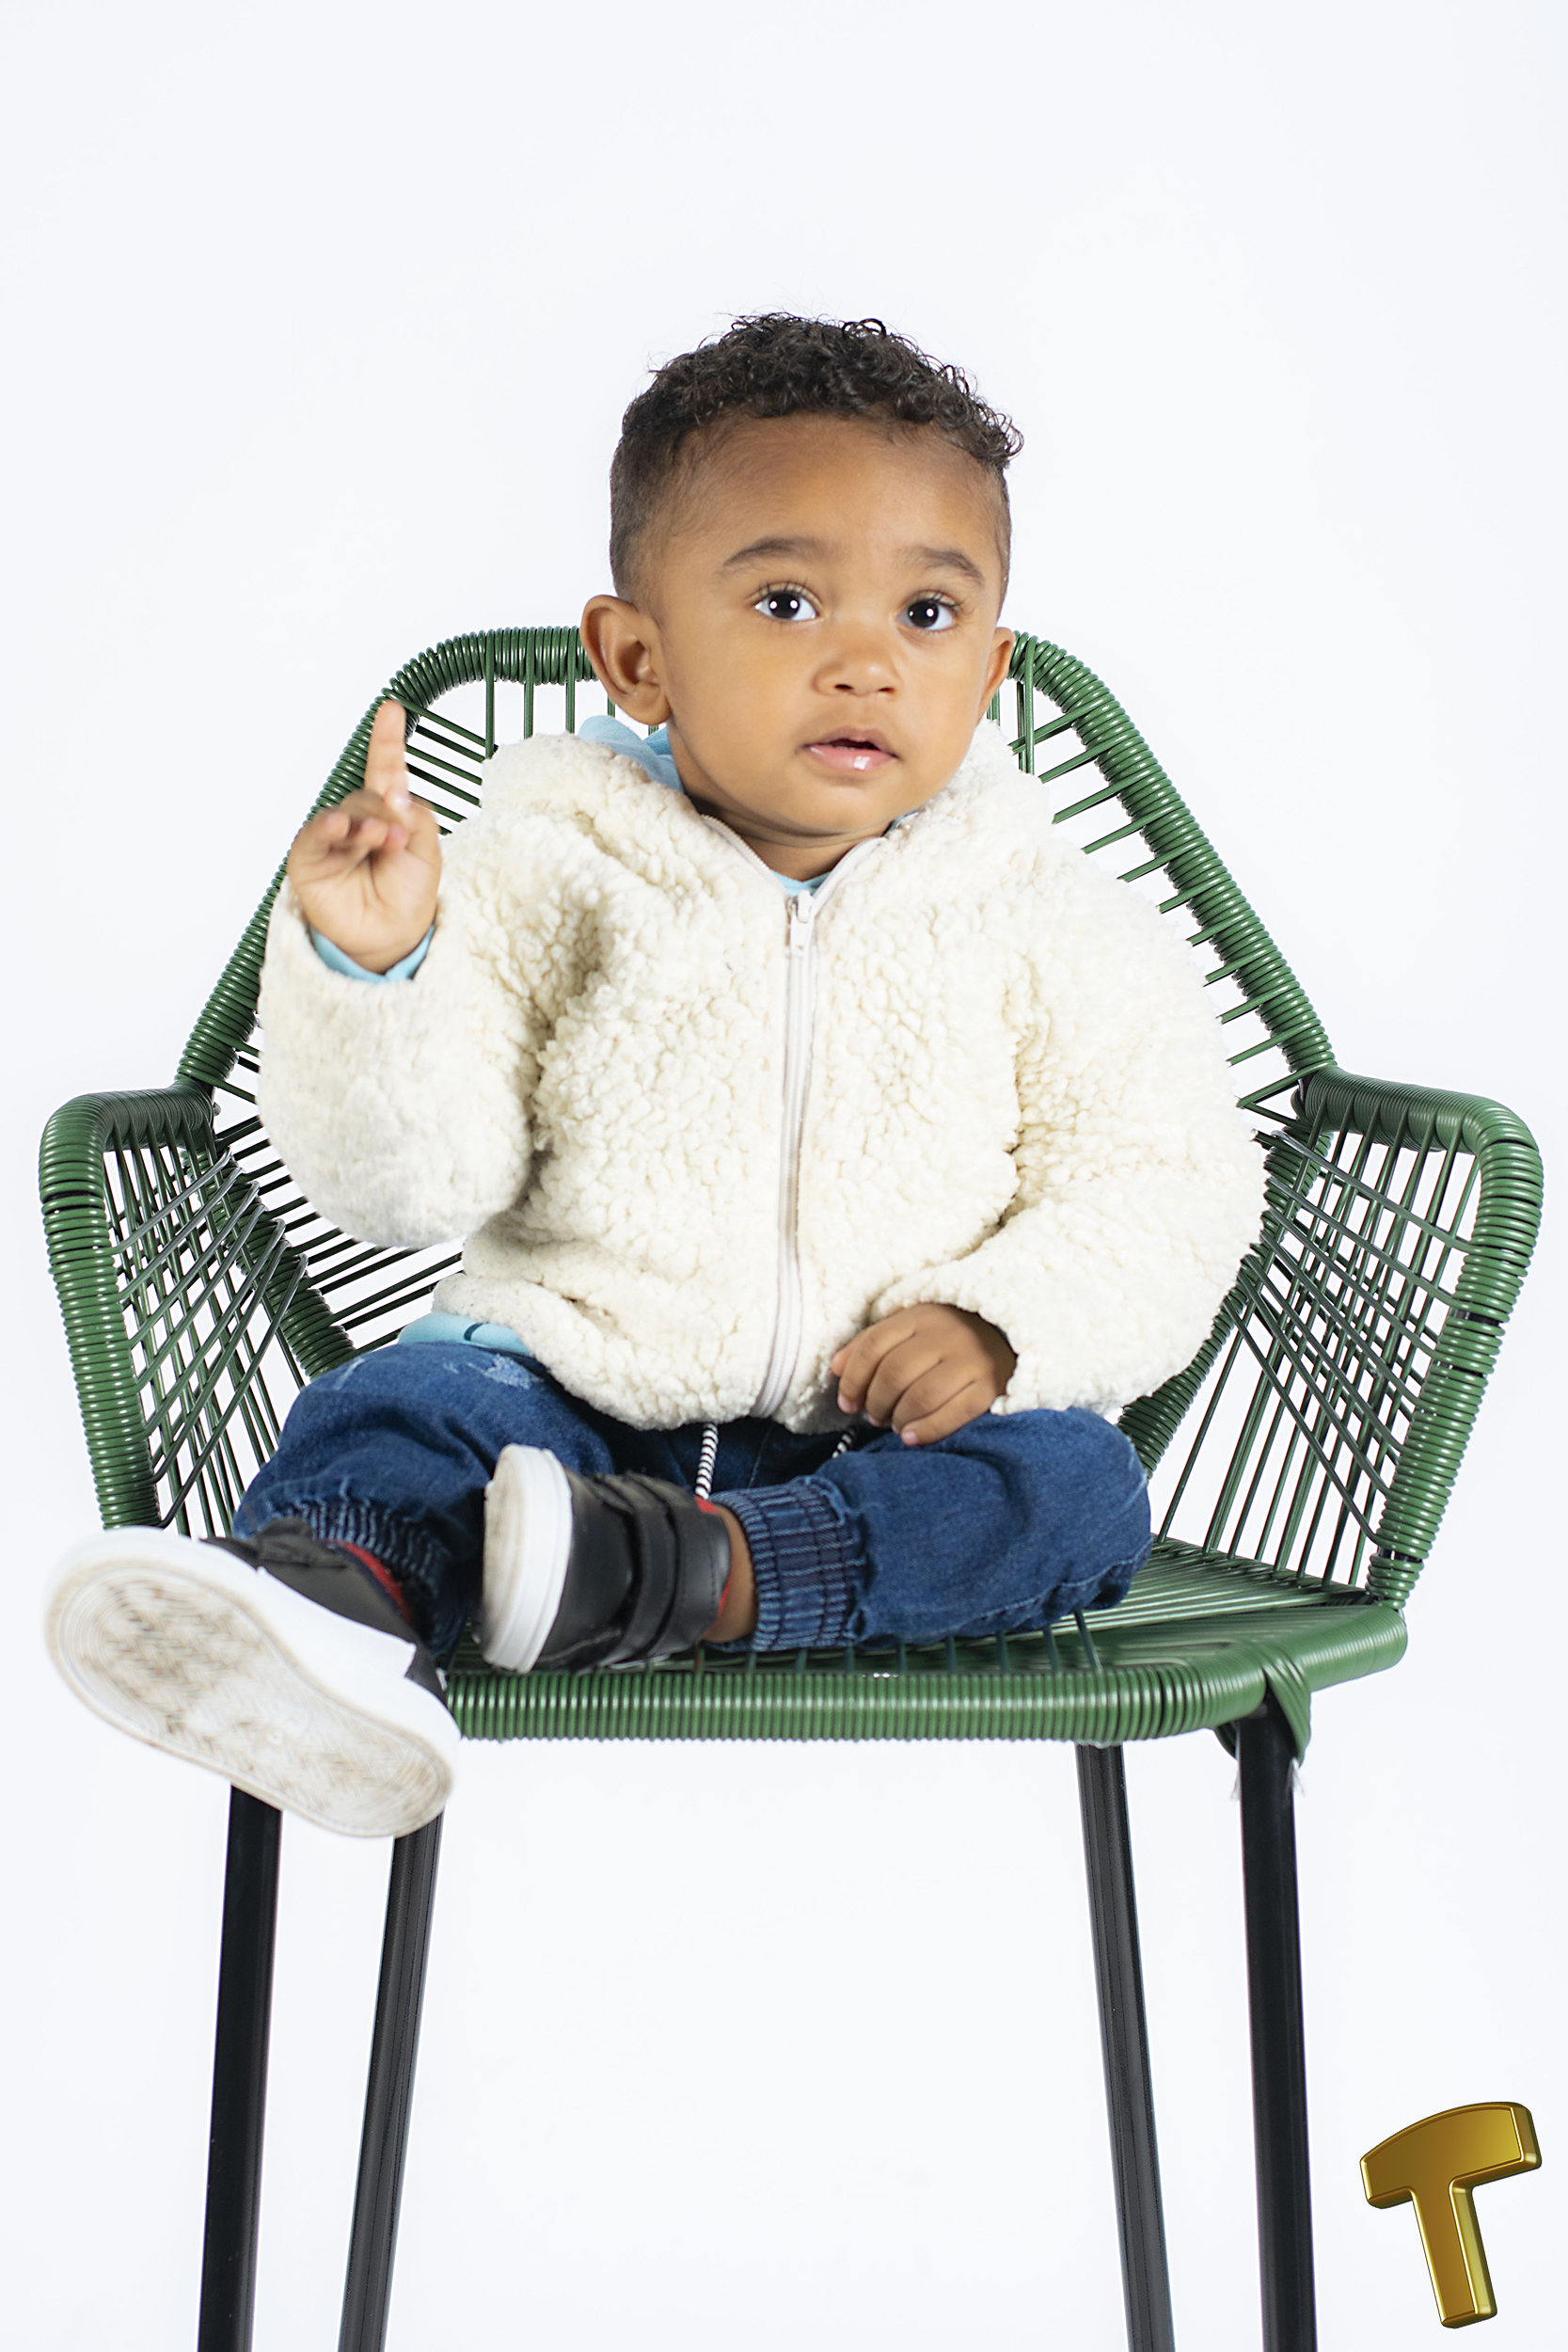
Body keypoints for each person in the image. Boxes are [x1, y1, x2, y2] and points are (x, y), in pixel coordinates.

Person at [46, 315, 1264, 1840]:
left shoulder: (1043, 915)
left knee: (1076, 1488)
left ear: (992, 669)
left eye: (931, 612)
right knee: (400, 1404)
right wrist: (377, 972)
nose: (868, 659)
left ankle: (682, 1576)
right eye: (786, 599)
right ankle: (330, 1620)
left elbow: (1169, 1180)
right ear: (639, 658)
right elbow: (410, 1183)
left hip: (877, 1447)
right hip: (562, 1398)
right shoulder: (549, 868)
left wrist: (999, 1324)